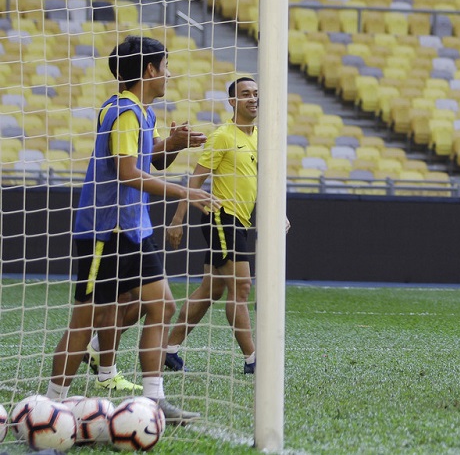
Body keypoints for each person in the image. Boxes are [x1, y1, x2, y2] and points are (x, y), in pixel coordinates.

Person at [46, 36, 220, 423]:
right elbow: (127, 172)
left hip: (134, 230)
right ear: (149, 70)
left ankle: (154, 401)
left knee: (162, 304)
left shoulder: (142, 112)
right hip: (105, 232)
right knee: (88, 320)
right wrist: (183, 192)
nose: (169, 74)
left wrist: (172, 144)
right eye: (166, 66)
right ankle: (50, 406)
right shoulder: (124, 112)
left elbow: (149, 160)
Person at [163, 76, 288, 375]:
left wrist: (279, 212)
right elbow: (195, 181)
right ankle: (253, 359)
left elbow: (266, 183)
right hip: (221, 217)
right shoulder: (222, 136)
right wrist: (176, 221)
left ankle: (168, 350)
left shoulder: (261, 137)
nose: (253, 99)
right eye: (245, 94)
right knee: (242, 287)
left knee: (211, 291)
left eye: (256, 93)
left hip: (239, 221)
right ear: (232, 102)